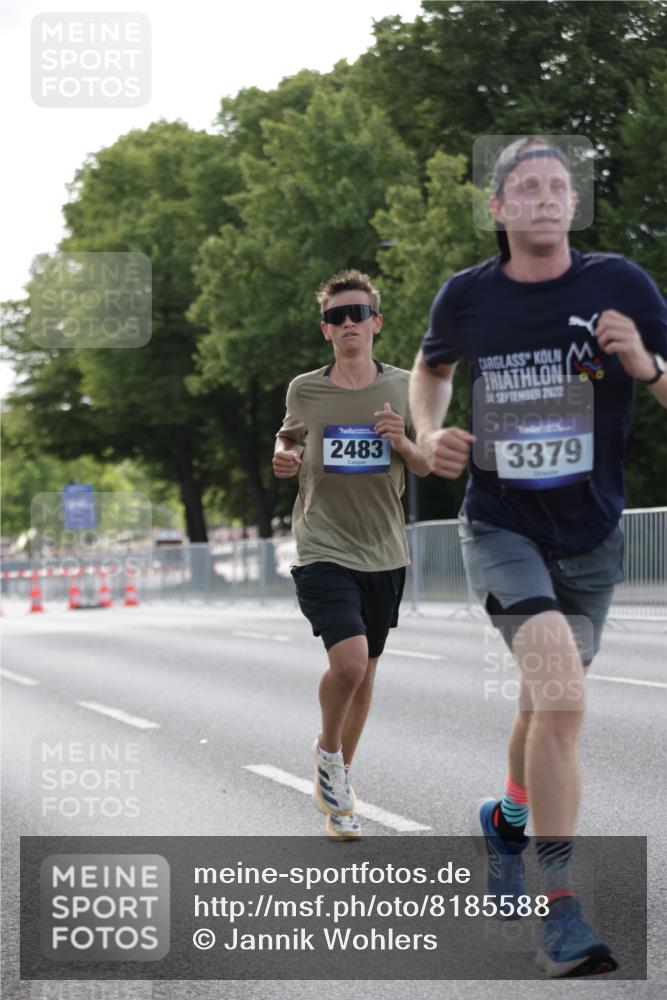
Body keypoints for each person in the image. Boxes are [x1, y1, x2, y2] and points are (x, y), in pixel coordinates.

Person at [409, 136, 667, 976]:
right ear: (498, 208)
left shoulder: (620, 284)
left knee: (541, 701)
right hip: (500, 525)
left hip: (590, 536)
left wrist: (645, 365)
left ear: (573, 205)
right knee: (560, 700)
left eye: (558, 186)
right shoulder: (467, 296)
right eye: (526, 187)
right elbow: (429, 369)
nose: (545, 197)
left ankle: (506, 821)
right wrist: (427, 433)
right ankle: (558, 911)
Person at [273, 269, 429, 839]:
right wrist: (282, 454)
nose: (347, 324)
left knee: (365, 677)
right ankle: (327, 752)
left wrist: (401, 440)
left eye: (357, 313)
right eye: (336, 317)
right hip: (322, 544)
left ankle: (338, 792)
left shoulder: (405, 387)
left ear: (376, 322)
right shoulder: (305, 389)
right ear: (326, 329)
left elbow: (427, 463)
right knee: (350, 662)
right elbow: (289, 435)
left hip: (384, 550)